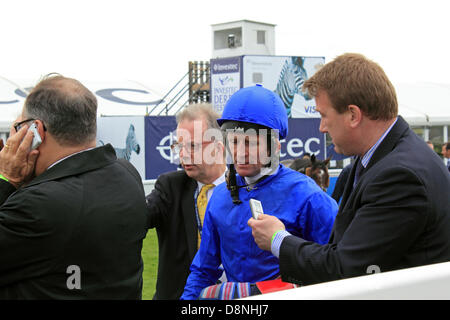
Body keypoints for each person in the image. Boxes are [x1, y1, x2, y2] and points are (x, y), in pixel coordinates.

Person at [248, 53, 450, 287]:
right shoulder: (382, 158)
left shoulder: (400, 176)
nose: (322, 127)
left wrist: (277, 239)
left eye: (324, 115)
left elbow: (347, 270)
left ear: (353, 115)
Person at [181, 85, 338, 300]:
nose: (240, 152)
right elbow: (203, 270)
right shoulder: (220, 196)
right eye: (234, 141)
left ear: (275, 146)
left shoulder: (310, 197)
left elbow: (335, 267)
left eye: (251, 143)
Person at [0, 75, 148, 299]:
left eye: (19, 128)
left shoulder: (39, 205)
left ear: (36, 131)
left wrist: (7, 178)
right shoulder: (127, 174)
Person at [145, 103, 227, 300]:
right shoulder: (170, 187)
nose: (183, 154)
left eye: (193, 145)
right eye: (180, 146)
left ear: (218, 147)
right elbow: (137, 216)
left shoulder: (245, 190)